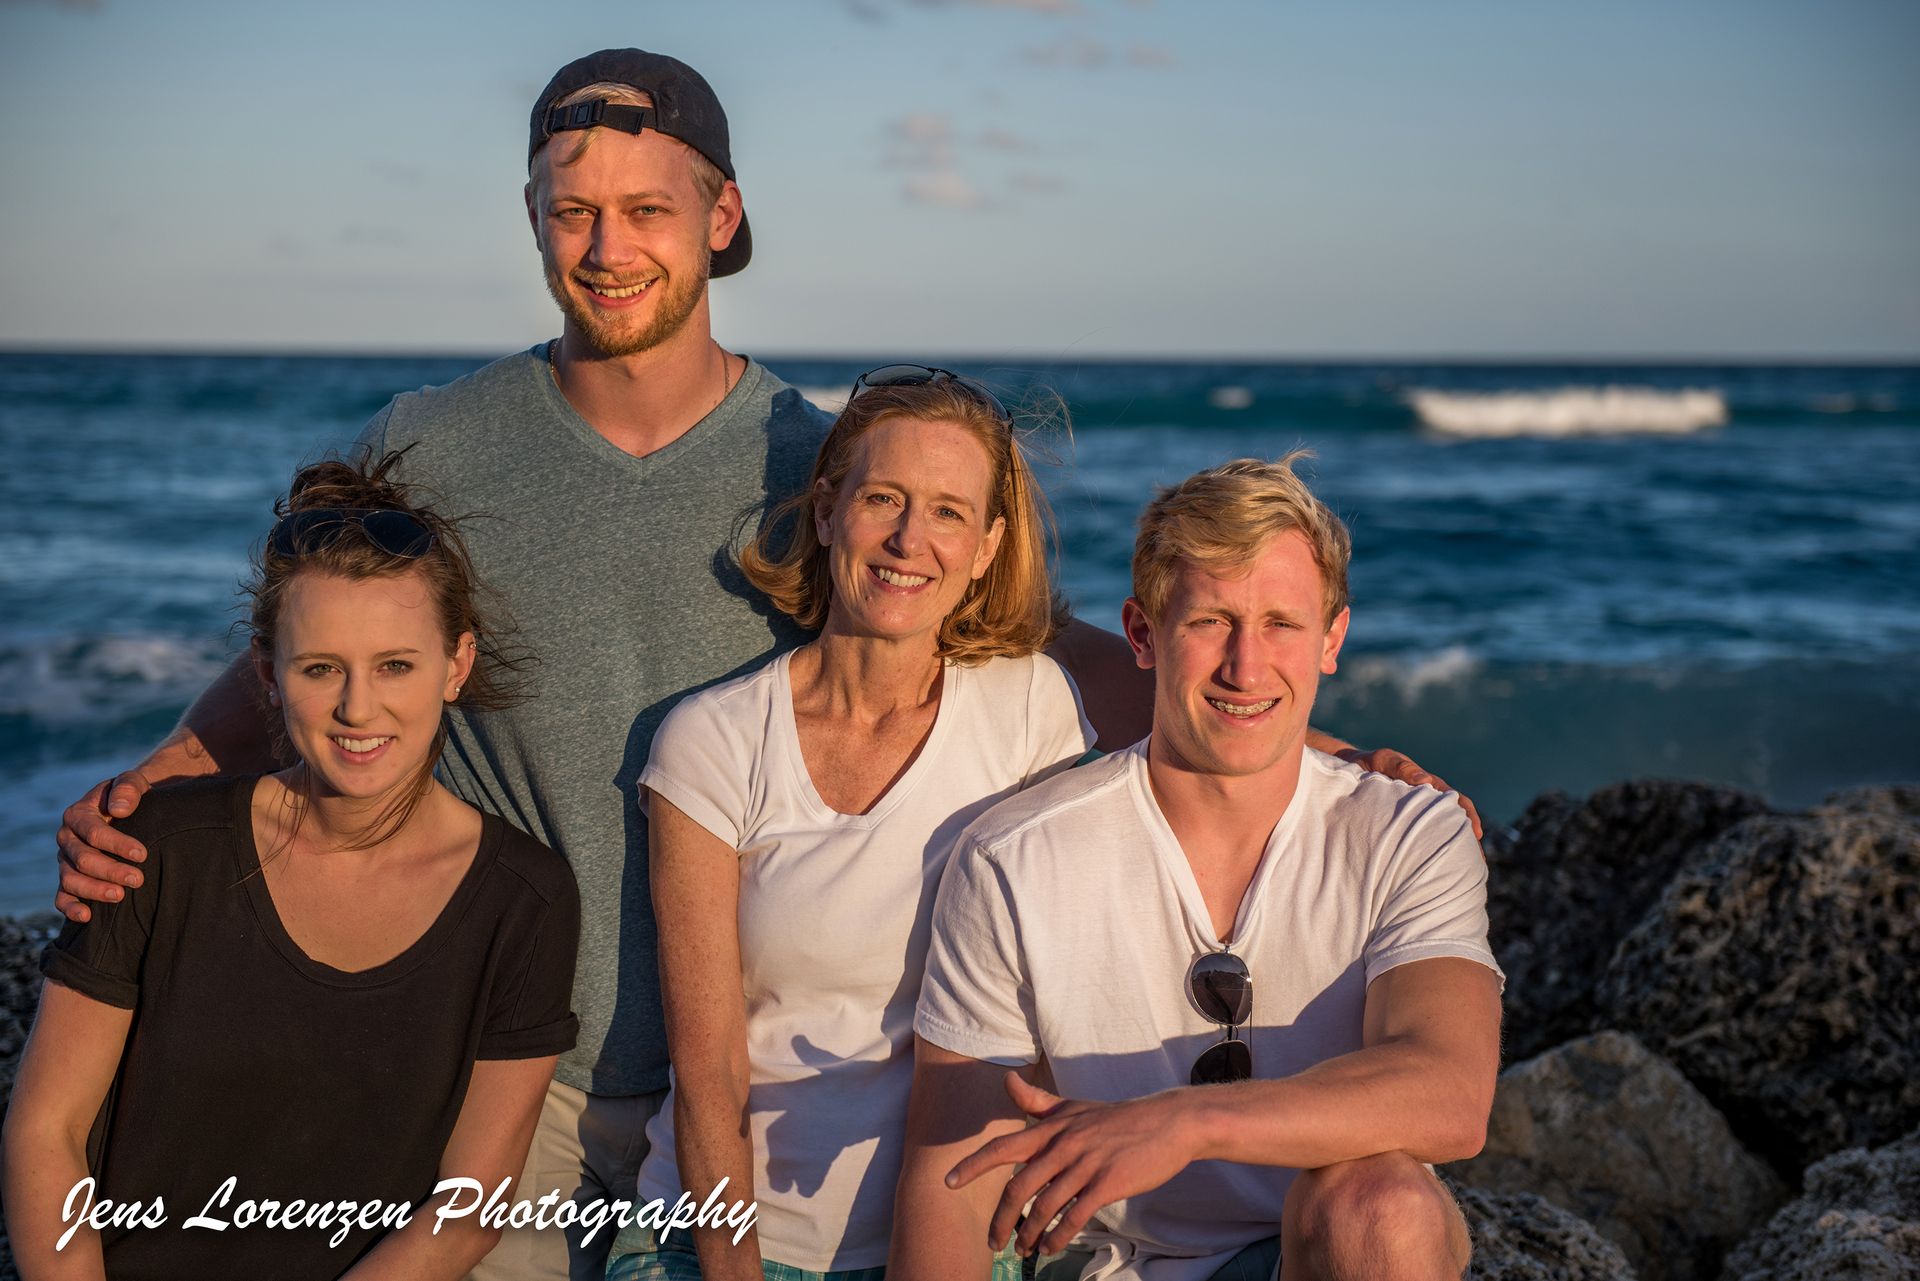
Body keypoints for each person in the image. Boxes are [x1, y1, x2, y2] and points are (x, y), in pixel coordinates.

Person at [49, 48, 1477, 1281]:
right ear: (536, 221)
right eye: (574, 213)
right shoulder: (436, 441)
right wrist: (172, 767)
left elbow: (1062, 653)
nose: (609, 249)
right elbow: (323, 639)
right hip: (512, 1068)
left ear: (721, 217)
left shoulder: (819, 458)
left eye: (647, 212)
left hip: (759, 1085)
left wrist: (1333, 764)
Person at [891, 456, 1503, 1281]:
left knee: (1383, 1207)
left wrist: (1185, 1122)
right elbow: (952, 1180)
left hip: (1316, 1248)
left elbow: (1449, 1093)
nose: (1246, 668)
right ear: (1143, 635)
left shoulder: (1408, 831)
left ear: (1332, 639)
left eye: (1281, 623)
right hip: (1112, 1263)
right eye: (1211, 621)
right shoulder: (1014, 857)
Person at [4, 454, 580, 1279]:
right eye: (320, 669)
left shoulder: (524, 898)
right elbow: (44, 1132)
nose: (357, 706)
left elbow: (465, 1213)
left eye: (396, 665)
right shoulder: (161, 847)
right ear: (267, 675)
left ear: (455, 665)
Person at [606, 367, 1087, 1281]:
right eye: (883, 499)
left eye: (949, 512)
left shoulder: (1029, 713)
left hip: (954, 1239)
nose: (911, 539)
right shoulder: (712, 740)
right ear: (827, 512)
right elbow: (709, 1071)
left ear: (987, 548)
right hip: (721, 1239)